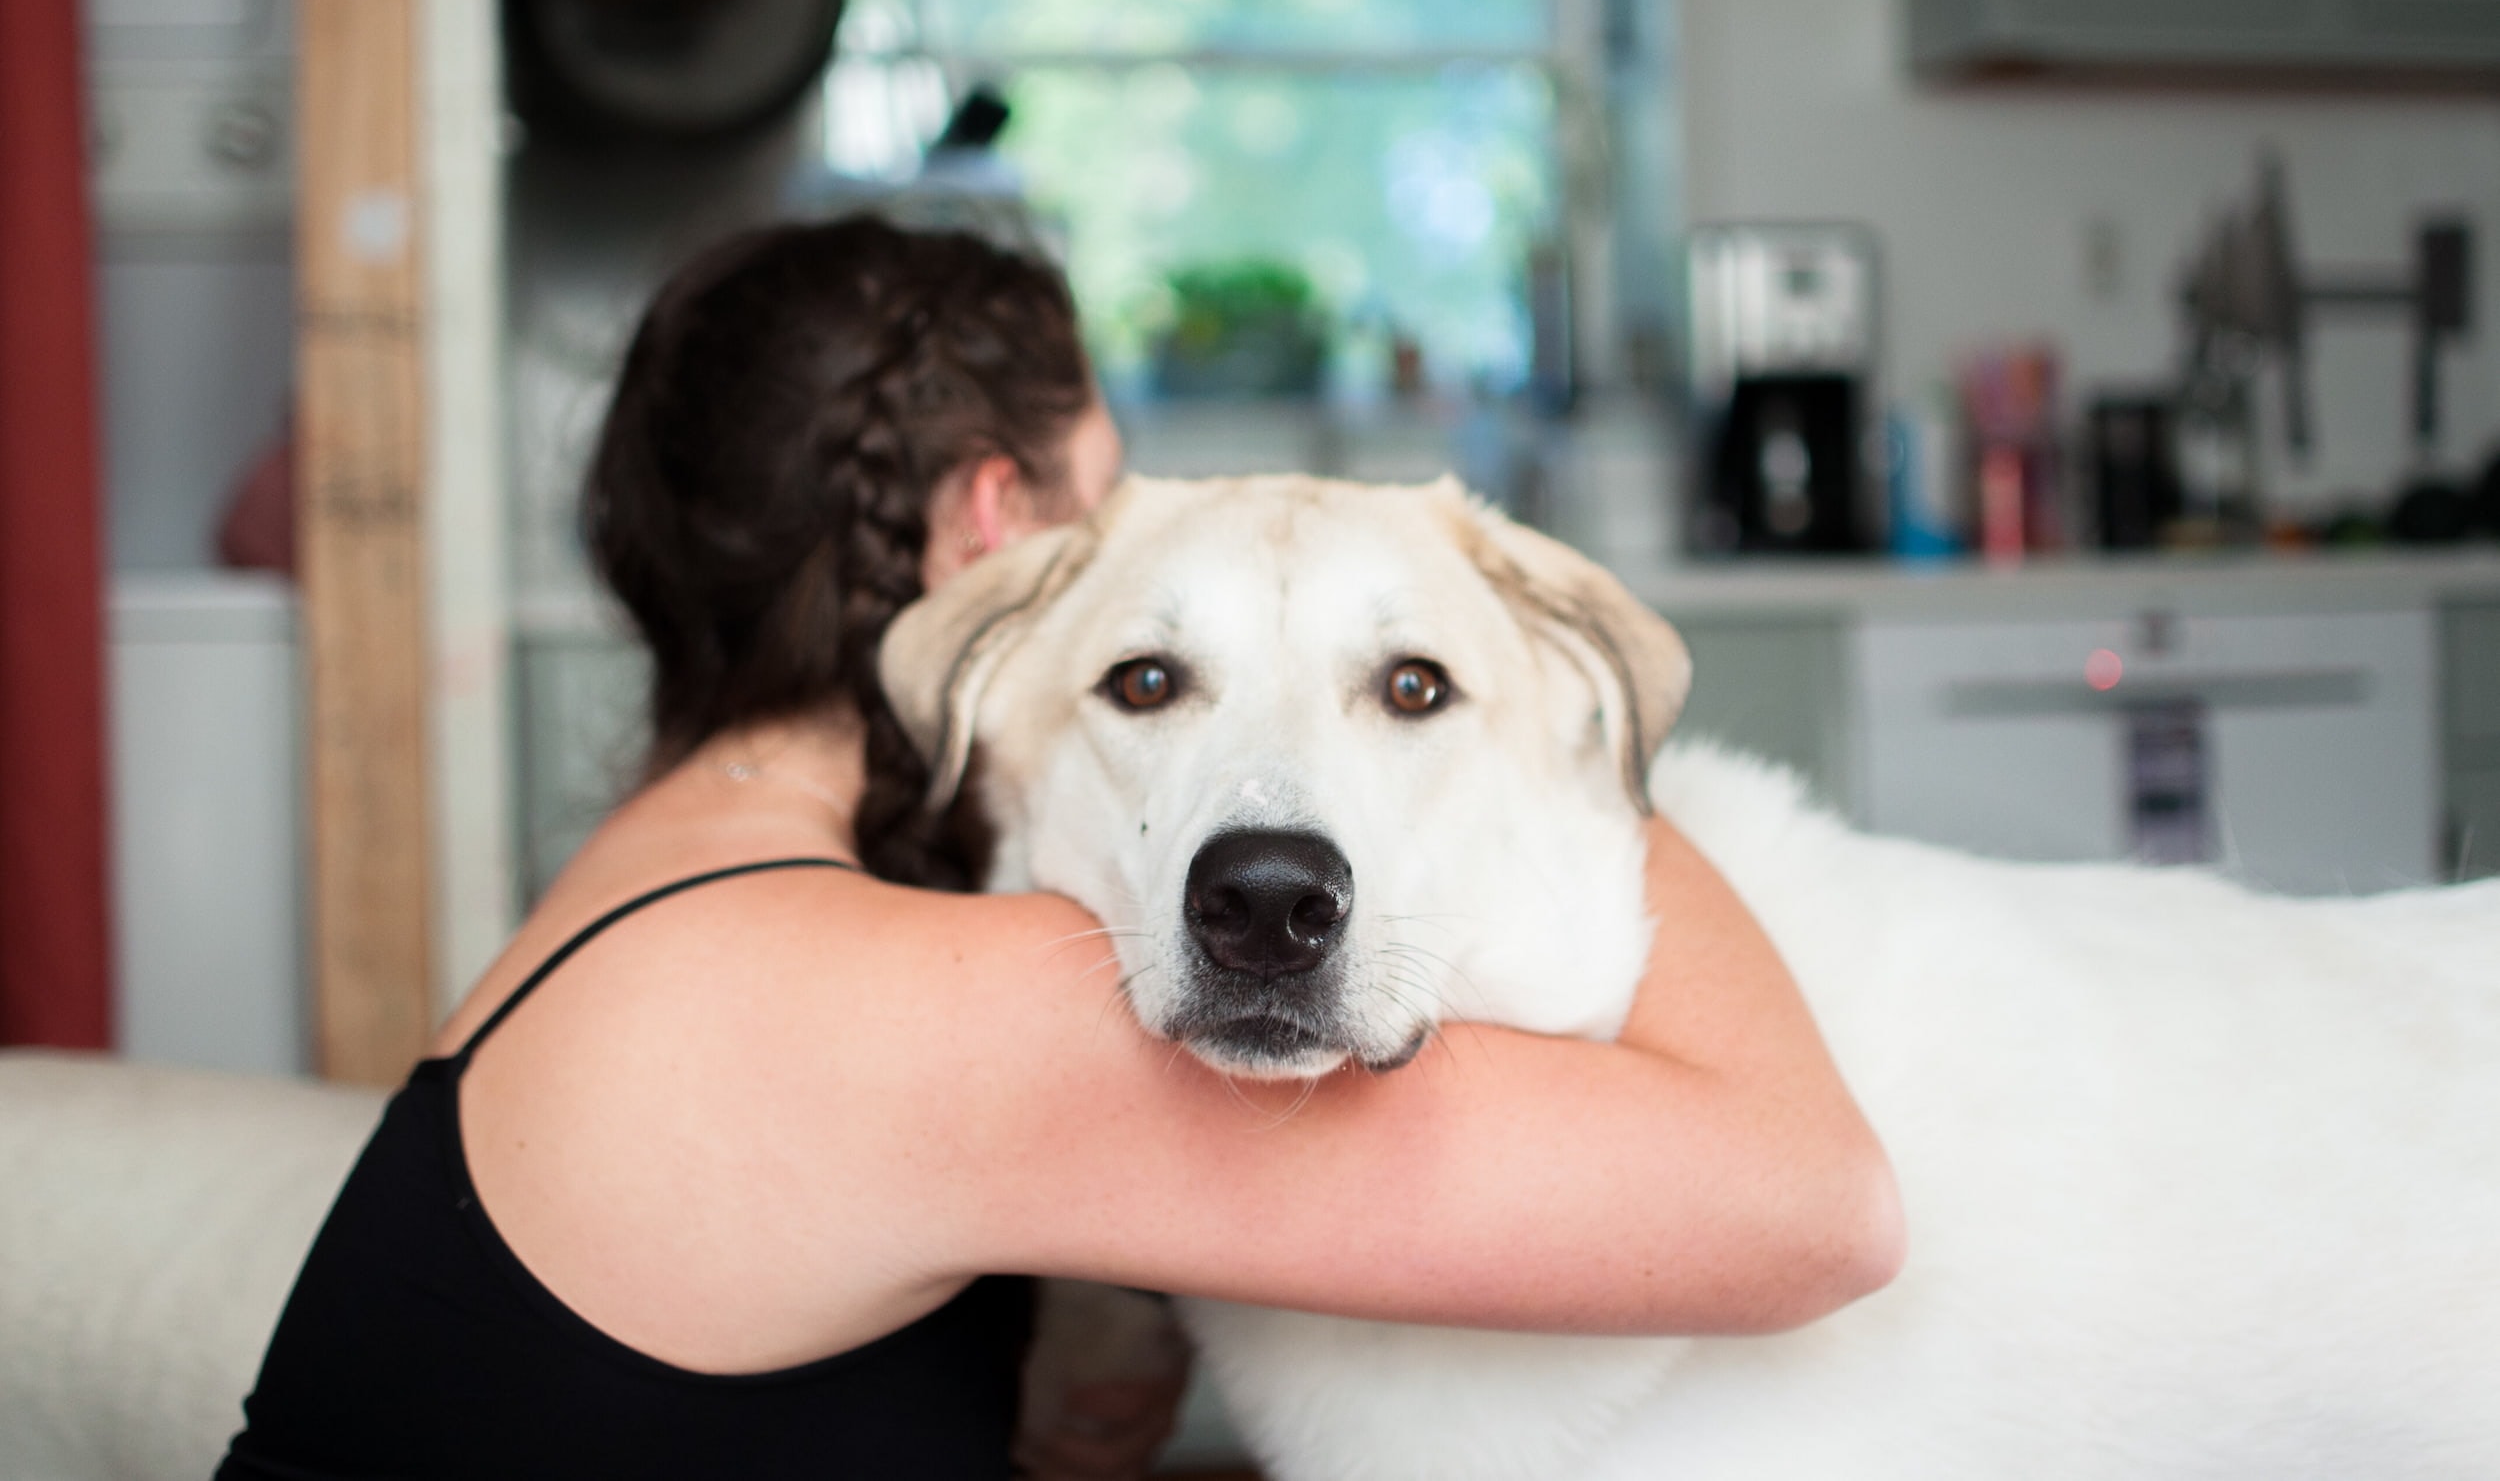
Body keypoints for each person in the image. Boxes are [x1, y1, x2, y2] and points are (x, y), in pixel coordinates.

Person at [218, 216, 1902, 1481]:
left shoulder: (640, 912)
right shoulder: (925, 1012)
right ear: (994, 535)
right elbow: (1812, 1209)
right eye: (1117, 523)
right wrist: (1515, 714)